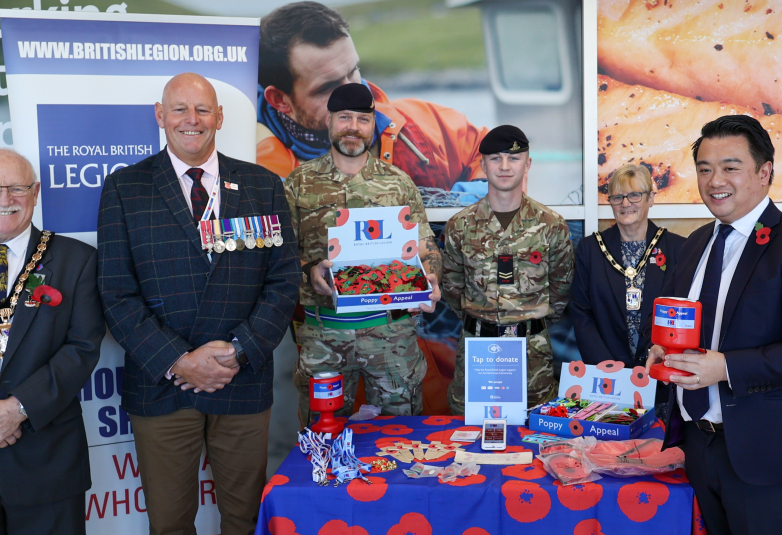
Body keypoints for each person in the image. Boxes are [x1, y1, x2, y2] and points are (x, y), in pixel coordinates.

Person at [97, 73, 300, 535]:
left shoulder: (263, 185)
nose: (192, 120)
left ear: (220, 117)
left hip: (240, 379)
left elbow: (283, 281)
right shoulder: (126, 188)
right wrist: (180, 361)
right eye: (180, 109)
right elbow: (115, 292)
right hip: (163, 384)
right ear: (160, 115)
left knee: (246, 521)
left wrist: (237, 351)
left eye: (203, 109)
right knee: (169, 525)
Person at [0, 148, 104, 535]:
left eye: (17, 188)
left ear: (35, 192)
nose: (4, 199)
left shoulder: (77, 260)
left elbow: (83, 347)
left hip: (48, 465)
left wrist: (17, 408)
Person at [646, 115, 782, 535]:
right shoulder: (695, 244)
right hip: (697, 445)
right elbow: (679, 322)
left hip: (762, 454)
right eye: (704, 169)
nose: (714, 181)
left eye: (730, 167)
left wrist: (725, 367)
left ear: (764, 172)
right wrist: (661, 350)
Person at [286, 83, 442, 422]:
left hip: (391, 336)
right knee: (323, 437)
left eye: (363, 119)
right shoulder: (298, 183)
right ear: (328, 121)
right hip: (324, 337)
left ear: (373, 125)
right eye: (344, 117)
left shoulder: (398, 182)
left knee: (399, 436)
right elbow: (279, 257)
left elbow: (425, 244)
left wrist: (430, 278)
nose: (353, 127)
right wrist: (310, 271)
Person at [257, 1, 489, 192]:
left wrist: (471, 198)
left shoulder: (415, 125)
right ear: (279, 100)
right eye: (328, 87)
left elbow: (490, 150)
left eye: (353, 71)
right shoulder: (251, 168)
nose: (353, 93)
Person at [442, 125, 574, 413]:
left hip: (532, 356)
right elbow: (452, 288)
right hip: (478, 350)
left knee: (536, 428)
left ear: (528, 164)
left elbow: (560, 290)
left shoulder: (551, 225)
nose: (504, 166)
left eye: (514, 158)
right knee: (470, 429)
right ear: (483, 165)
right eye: (495, 158)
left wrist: (528, 324)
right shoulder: (460, 226)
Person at [570, 164, 685, 368]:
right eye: (617, 197)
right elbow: (581, 314)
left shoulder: (678, 248)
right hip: (608, 373)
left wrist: (663, 359)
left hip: (661, 369)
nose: (625, 203)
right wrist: (606, 367)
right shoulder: (590, 249)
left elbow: (683, 313)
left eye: (634, 195)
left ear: (651, 199)